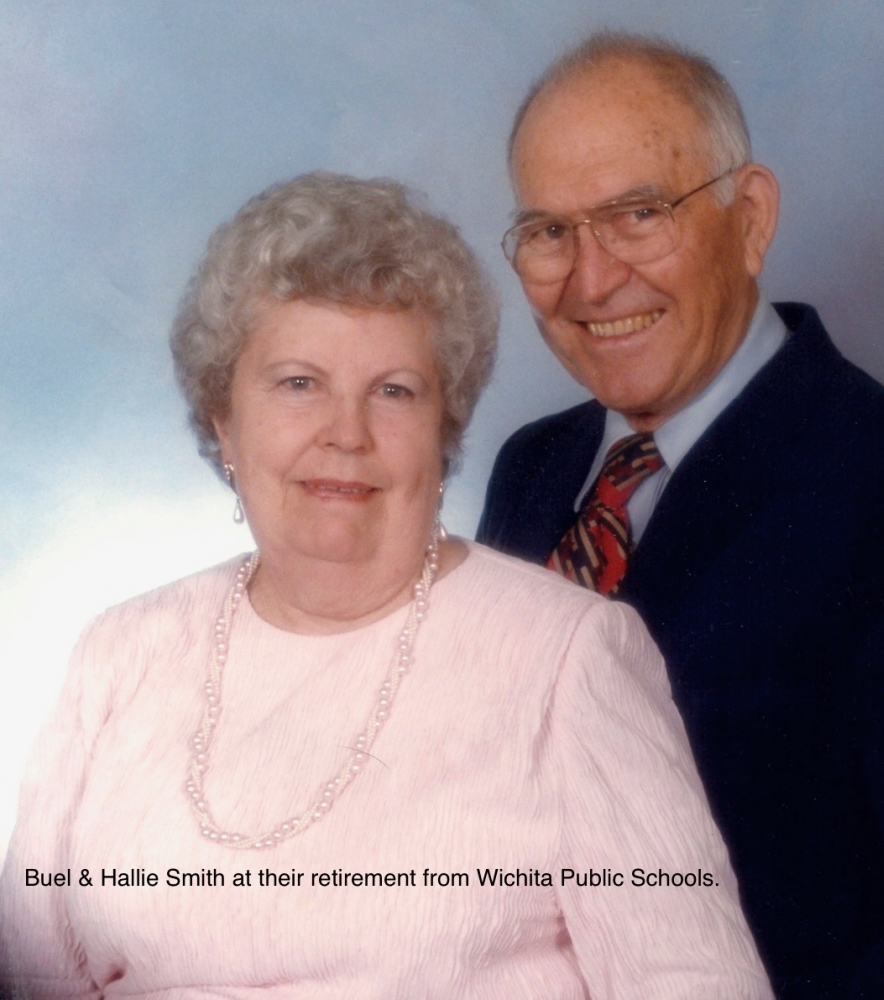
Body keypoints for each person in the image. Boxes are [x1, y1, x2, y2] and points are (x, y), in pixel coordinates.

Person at [0, 171, 772, 998]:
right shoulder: (124, 651)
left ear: (442, 435)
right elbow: (30, 971)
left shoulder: (566, 657)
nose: (346, 434)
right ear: (224, 421)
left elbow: (693, 983)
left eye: (393, 393)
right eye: (299, 383)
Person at [477, 32, 884, 1000]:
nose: (589, 279)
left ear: (747, 217)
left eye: (636, 213)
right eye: (547, 231)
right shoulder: (529, 470)